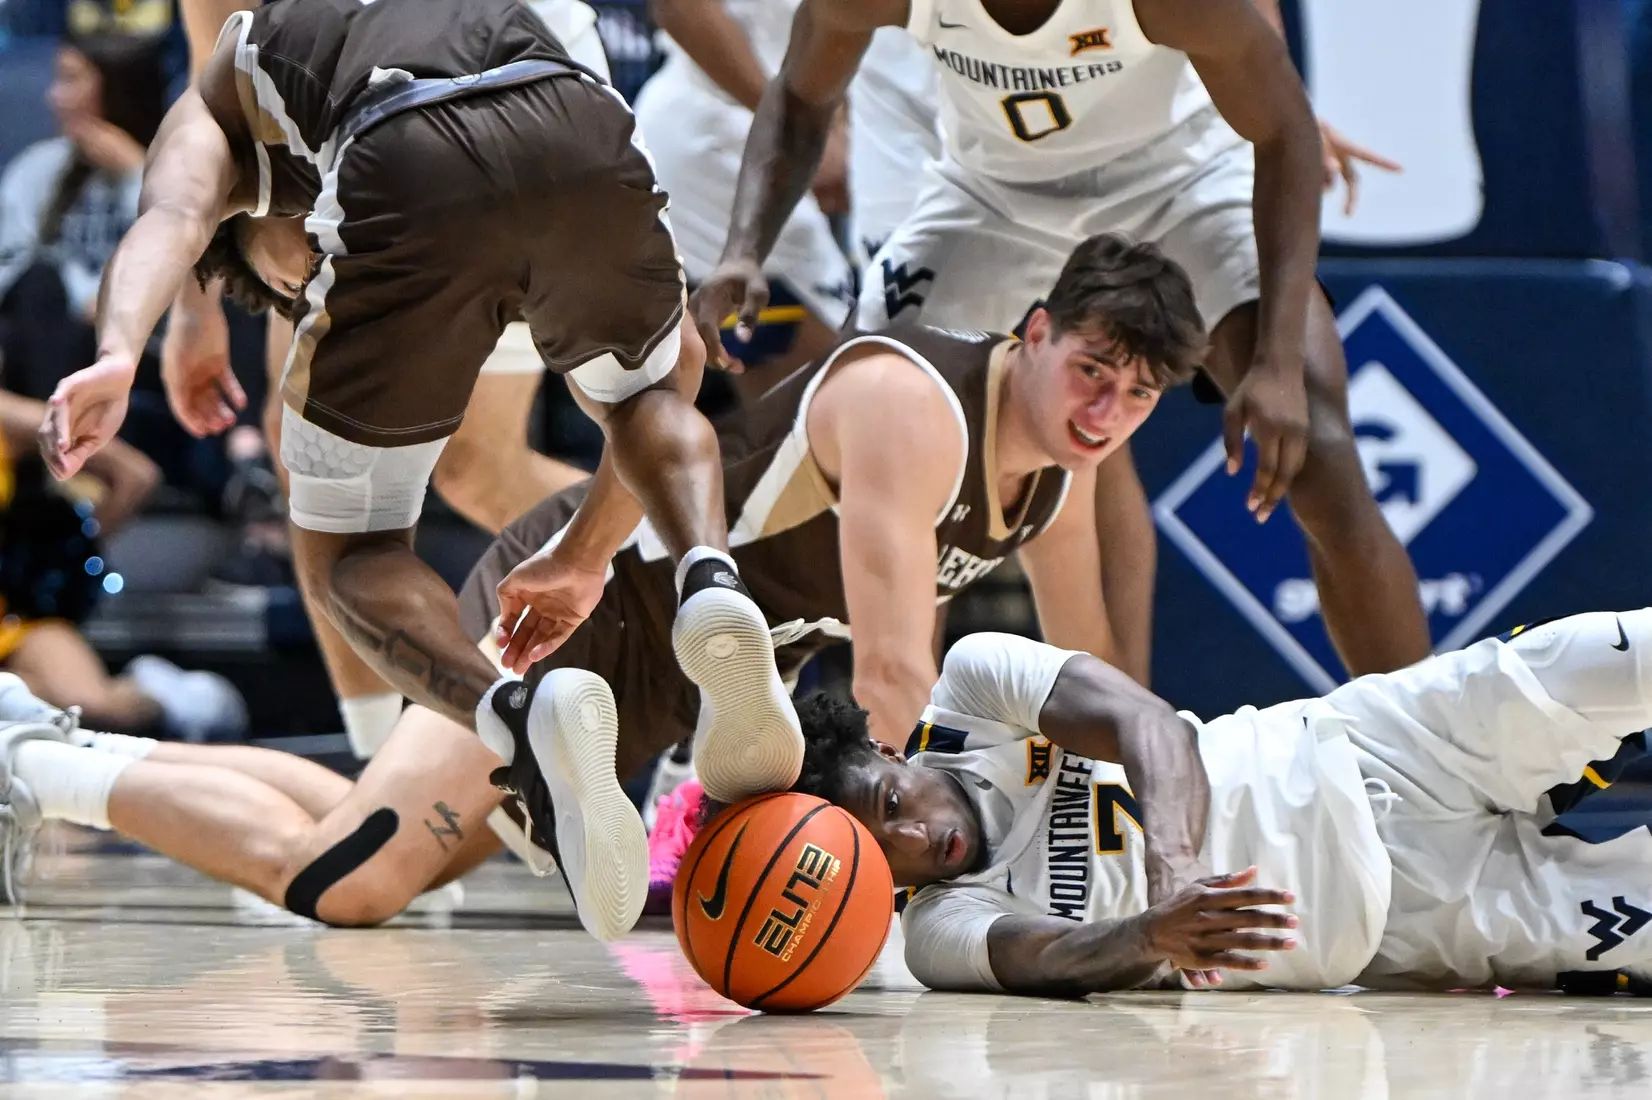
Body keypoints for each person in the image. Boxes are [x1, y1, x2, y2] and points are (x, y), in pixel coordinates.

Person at [0, 233, 1206, 932]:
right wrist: (898, 906)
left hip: (684, 678)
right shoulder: (911, 401)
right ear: (1034, 329)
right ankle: (35, 765)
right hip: (592, 598)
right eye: (1093, 371)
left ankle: (42, 742)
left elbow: (1078, 663)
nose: (1107, 411)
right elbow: (896, 667)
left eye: (1137, 396)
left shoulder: (1063, 457)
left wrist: (1101, 840)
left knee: (360, 822)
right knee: (346, 882)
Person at [35, 0, 810, 941]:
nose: (307, 280)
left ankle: (516, 721)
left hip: (406, 162)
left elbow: (169, 216)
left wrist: (119, 348)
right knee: (651, 388)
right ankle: (706, 579)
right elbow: (678, 368)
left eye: (291, 283)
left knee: (346, 553)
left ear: (255, 210)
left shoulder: (223, 91)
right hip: (579, 122)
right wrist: (584, 555)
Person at [693, 0, 1425, 684]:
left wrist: (1274, 362)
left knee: (1320, 441)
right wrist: (743, 249)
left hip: (1181, 183)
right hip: (993, 198)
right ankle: (863, 748)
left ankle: (1419, 770)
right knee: (863, 441)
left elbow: (1284, 127)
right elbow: (798, 96)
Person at [163, 0, 601, 758]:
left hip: (492, 76)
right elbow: (220, 96)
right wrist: (194, 301)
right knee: (331, 445)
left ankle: (708, 592)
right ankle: (376, 767)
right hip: (359, 109)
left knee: (444, 457)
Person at [787, 613, 1652, 996]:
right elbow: (1049, 960)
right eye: (881, 847)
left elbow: (1145, 721)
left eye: (891, 799)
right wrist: (1149, 936)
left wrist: (1173, 874)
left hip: (1373, 743)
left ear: (891, 751)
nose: (911, 834)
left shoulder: (973, 693)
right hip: (1389, 921)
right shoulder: (939, 931)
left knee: (1606, 659)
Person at [636, 0, 855, 400]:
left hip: (763, 144)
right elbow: (679, 7)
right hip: (717, 141)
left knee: (792, 414)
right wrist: (799, 132)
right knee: (834, 395)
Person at [0, 390, 245, 741]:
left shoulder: (6, 415)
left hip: (13, 618)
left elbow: (134, 473)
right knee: (35, 712)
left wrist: (65, 550)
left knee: (89, 707)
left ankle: (165, 696)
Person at [0, 34, 166, 403]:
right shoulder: (40, 166)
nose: (53, 97)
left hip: (145, 335)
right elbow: (13, 264)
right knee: (41, 288)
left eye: (70, 80)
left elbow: (188, 256)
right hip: (53, 328)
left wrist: (133, 173)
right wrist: (84, 295)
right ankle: (62, 443)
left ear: (117, 88)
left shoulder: (172, 165)